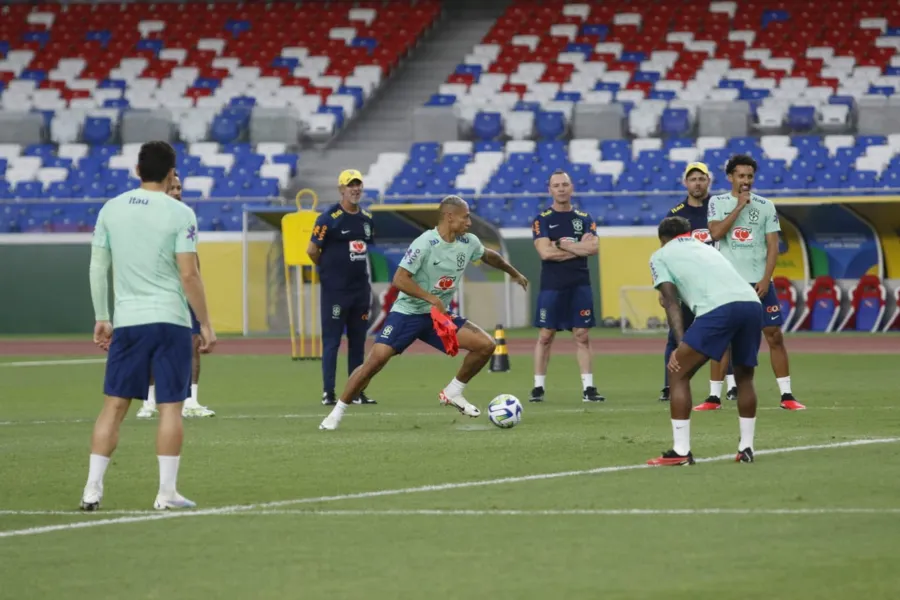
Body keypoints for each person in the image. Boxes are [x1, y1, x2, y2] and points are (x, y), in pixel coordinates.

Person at [80, 141, 216, 511]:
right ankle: (166, 493)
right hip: (170, 321)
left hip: (128, 321)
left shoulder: (111, 209)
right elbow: (189, 274)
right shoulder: (181, 212)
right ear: (172, 173)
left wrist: (102, 316)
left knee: (114, 406)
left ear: (137, 171)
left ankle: (92, 489)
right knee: (171, 407)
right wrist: (205, 322)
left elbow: (97, 268)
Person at [318, 195, 529, 431]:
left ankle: (453, 391)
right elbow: (399, 279)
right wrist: (431, 298)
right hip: (407, 313)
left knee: (486, 345)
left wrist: (514, 273)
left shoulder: (468, 242)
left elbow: (490, 256)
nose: (469, 222)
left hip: (436, 317)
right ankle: (336, 412)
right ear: (449, 217)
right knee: (375, 362)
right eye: (465, 217)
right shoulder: (425, 243)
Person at [647, 216, 763, 466]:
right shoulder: (707, 248)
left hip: (719, 309)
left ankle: (681, 451)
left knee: (678, 373)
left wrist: (680, 344)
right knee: (744, 377)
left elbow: (670, 301)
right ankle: (746, 448)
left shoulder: (661, 255)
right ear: (688, 233)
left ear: (662, 240)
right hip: (752, 304)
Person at [705, 154, 805, 411]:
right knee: (723, 339)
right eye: (741, 176)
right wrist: (739, 206)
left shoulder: (766, 206)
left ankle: (787, 395)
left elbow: (773, 247)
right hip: (727, 284)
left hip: (759, 283)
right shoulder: (717, 203)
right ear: (730, 178)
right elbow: (715, 233)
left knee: (774, 336)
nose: (746, 181)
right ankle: (714, 397)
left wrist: (765, 278)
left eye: (749, 176)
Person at [137, 173, 215, 419]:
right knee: (153, 346)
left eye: (180, 188)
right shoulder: (148, 219)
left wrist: (197, 286)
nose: (178, 192)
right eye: (173, 188)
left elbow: (191, 257)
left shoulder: (186, 217)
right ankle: (149, 402)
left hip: (184, 291)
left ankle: (191, 399)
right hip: (159, 291)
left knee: (192, 344)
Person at [658, 162, 737, 405]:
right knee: (676, 335)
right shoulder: (676, 214)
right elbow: (667, 251)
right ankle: (670, 384)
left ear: (708, 181)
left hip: (718, 283)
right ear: (685, 183)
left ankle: (732, 384)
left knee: (727, 335)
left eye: (701, 178)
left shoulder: (720, 208)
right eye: (692, 179)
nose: (697, 183)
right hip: (687, 286)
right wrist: (666, 287)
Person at [529, 169, 604, 404]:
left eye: (564, 184)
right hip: (552, 286)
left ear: (571, 188)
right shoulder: (542, 219)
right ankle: (538, 388)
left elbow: (592, 249)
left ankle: (588, 388)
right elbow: (545, 253)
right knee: (545, 335)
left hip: (579, 284)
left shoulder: (584, 218)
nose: (561, 189)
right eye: (556, 185)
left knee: (581, 335)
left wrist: (560, 245)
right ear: (549, 189)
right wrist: (576, 249)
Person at [307, 169, 377, 406]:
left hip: (360, 291)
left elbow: (366, 249)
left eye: (358, 185)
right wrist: (329, 272)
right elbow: (312, 250)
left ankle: (356, 392)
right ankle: (328, 392)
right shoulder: (328, 218)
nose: (355, 189)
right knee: (332, 342)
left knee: (358, 342)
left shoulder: (366, 218)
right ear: (341, 190)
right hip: (336, 292)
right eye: (350, 185)